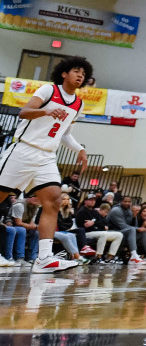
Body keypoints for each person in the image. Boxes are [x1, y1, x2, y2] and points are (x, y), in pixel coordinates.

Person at [0, 56, 90, 274]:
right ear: (64, 73)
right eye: (76, 71)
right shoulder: (48, 91)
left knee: (54, 201)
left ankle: (44, 258)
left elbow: (64, 133)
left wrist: (79, 149)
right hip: (23, 150)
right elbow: (24, 112)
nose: (80, 76)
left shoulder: (78, 103)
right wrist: (46, 111)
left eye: (84, 74)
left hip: (47, 155)